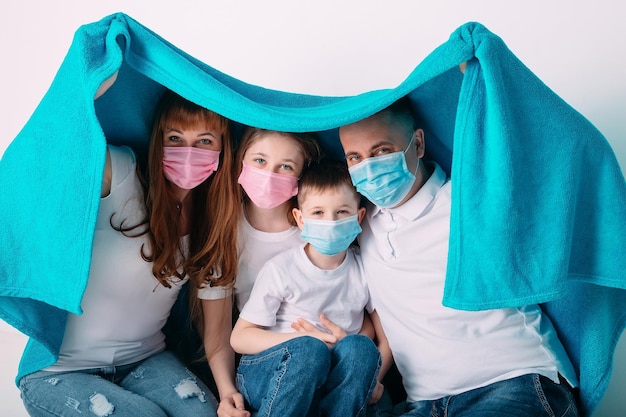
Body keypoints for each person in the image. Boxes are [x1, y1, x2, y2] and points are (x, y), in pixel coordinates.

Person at [337, 96, 581, 417]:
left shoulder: (468, 202)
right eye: (355, 157)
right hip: (423, 403)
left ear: (418, 144)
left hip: (512, 381)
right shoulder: (357, 221)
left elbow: (533, 147)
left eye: (382, 151)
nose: (369, 167)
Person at [18, 90, 241, 417]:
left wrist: (227, 393)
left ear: (223, 149)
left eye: (205, 141)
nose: (189, 153)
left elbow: (218, 335)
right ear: (158, 140)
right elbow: (58, 148)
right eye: (176, 138)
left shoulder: (213, 226)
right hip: (60, 371)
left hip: (146, 360)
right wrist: (90, 89)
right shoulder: (122, 172)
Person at [230, 158, 386, 417]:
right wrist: (305, 339)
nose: (331, 221)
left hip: (327, 378)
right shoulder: (282, 268)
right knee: (309, 351)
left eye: (342, 212)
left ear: (359, 217)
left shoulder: (362, 269)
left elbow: (372, 332)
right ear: (300, 219)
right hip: (270, 371)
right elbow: (240, 338)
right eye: (318, 213)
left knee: (360, 349)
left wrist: (372, 376)